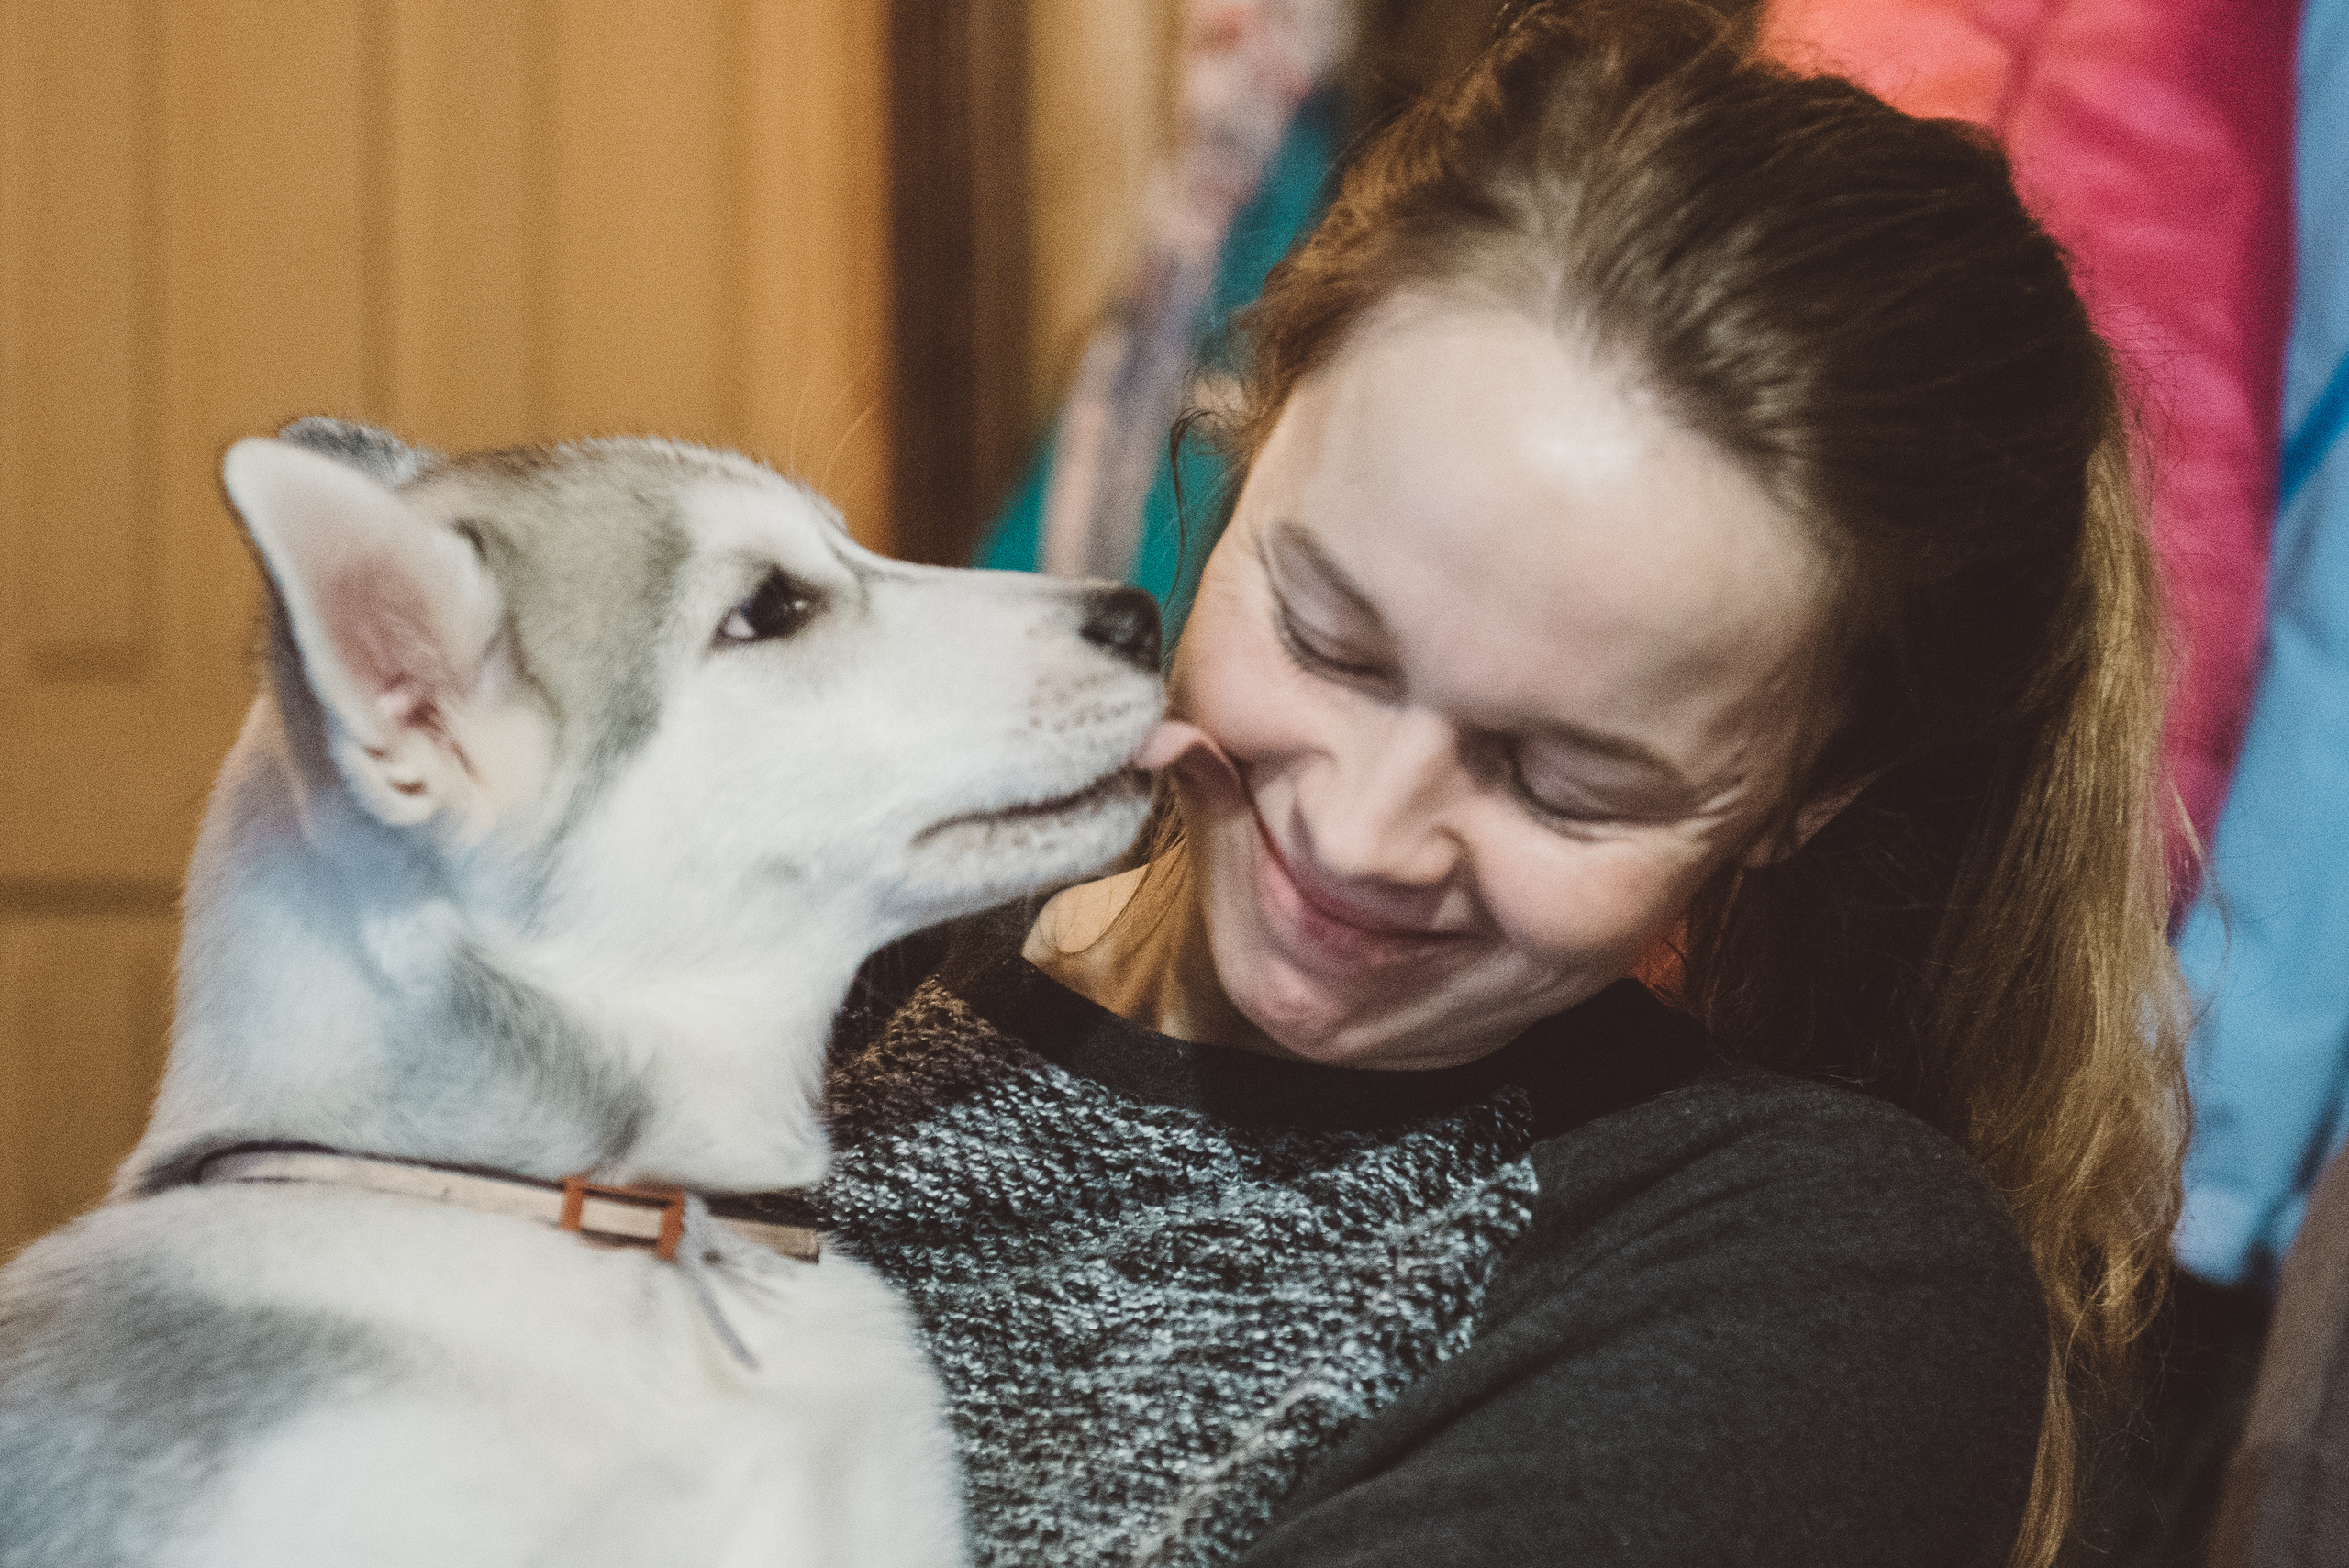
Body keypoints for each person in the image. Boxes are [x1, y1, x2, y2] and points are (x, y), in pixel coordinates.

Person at [804, 5, 2188, 1564]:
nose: (1359, 832)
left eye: (1563, 781)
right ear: (1250, 435)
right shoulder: (821, 942)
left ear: (1810, 788)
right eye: (1328, 639)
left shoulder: (1796, 1269)